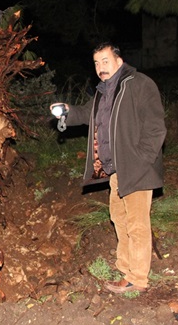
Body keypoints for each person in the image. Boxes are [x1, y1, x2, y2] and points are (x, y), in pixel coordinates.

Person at [50, 42, 166, 294]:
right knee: (120, 220)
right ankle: (126, 270)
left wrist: (141, 160)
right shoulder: (104, 92)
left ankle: (138, 279)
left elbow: (156, 128)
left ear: (119, 61)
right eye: (96, 63)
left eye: (105, 61)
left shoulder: (140, 84)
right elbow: (85, 114)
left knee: (136, 224)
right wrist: (66, 112)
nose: (100, 67)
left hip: (137, 169)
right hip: (116, 171)